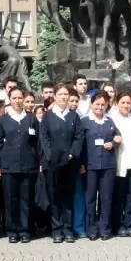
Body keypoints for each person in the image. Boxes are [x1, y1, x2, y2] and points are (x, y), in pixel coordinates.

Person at [0, 88, 38, 244]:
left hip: (28, 165)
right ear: (9, 99)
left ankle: (25, 230)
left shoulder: (31, 119)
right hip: (8, 165)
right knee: (10, 200)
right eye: (14, 98)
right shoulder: (3, 120)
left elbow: (37, 142)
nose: (18, 101)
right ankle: (12, 230)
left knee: (26, 199)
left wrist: (38, 161)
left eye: (20, 98)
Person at [40, 84, 84, 243]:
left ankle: (68, 229)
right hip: (52, 163)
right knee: (54, 196)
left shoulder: (74, 116)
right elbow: (43, 137)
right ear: (55, 96)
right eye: (60, 94)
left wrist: (72, 153)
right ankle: (56, 230)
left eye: (66, 94)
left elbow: (79, 136)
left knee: (67, 196)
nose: (64, 97)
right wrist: (49, 154)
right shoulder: (48, 116)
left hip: (69, 162)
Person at [80, 92, 121, 240]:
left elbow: (118, 136)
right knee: (90, 199)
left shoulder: (109, 121)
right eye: (97, 104)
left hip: (108, 166)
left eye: (103, 104)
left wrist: (114, 142)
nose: (100, 107)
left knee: (106, 198)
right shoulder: (84, 122)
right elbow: (79, 144)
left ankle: (104, 228)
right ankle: (91, 228)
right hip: (90, 166)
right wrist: (81, 163)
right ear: (91, 104)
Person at [109, 92, 131, 237]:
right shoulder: (111, 119)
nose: (126, 105)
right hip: (118, 163)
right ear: (116, 103)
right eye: (122, 102)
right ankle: (119, 225)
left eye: (128, 103)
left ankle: (130, 224)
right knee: (119, 197)